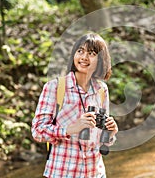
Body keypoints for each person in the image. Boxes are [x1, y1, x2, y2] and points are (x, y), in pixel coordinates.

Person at [31, 33, 118, 178]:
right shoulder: (55, 87)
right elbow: (37, 131)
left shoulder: (102, 90)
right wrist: (69, 129)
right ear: (73, 55)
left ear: (101, 60)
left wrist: (110, 132)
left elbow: (101, 141)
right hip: (62, 172)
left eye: (91, 53)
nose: (84, 57)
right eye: (80, 51)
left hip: (96, 173)